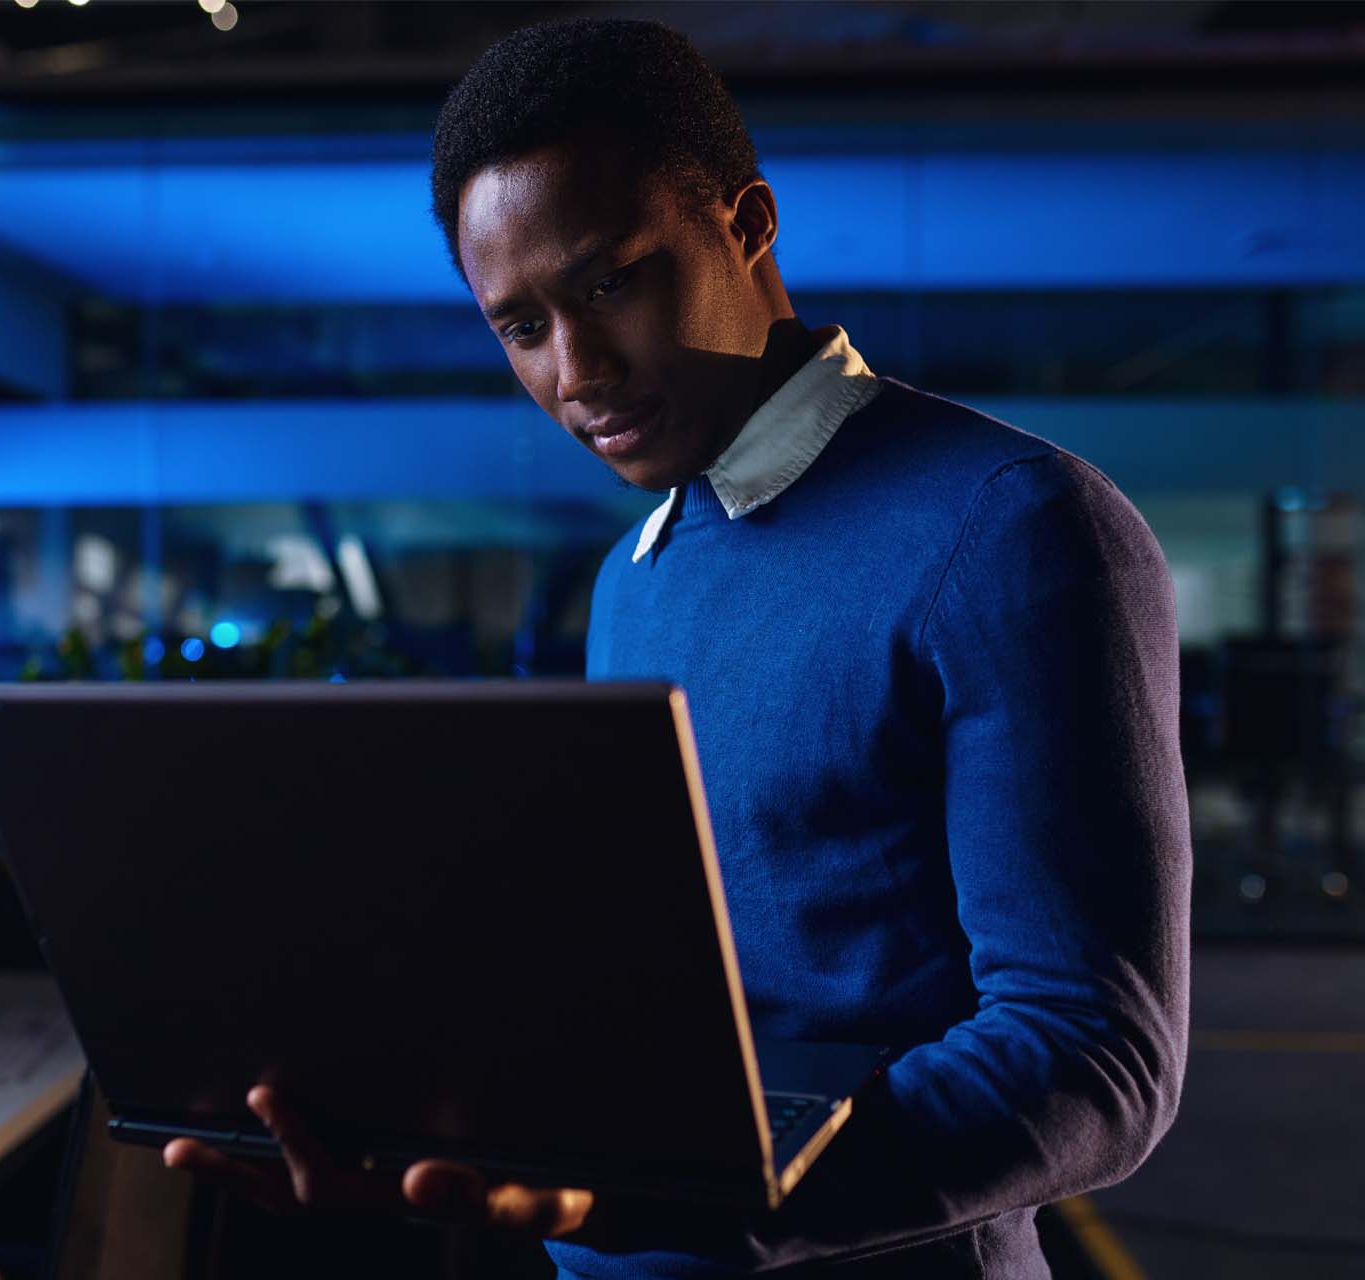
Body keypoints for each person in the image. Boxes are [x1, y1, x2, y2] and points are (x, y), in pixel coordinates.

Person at [165, 17, 1189, 1279]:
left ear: (747, 223)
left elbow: (1092, 1056)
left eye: (609, 285)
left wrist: (666, 1201)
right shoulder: (631, 576)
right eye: (521, 326)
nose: (576, 371)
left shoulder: (1015, 526)